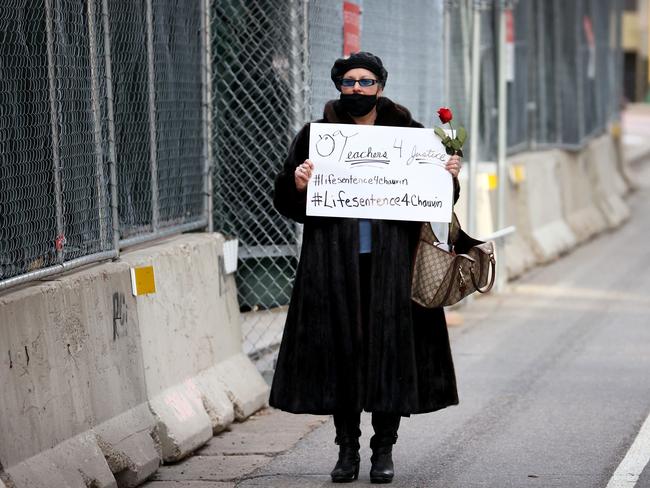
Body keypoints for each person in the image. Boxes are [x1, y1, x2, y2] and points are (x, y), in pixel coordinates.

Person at [270, 52, 462, 484]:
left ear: (381, 85)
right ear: (339, 85)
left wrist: (449, 174)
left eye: (366, 82)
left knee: (390, 353)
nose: (357, 90)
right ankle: (347, 450)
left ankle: (383, 449)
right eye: (349, 82)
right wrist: (298, 184)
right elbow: (286, 201)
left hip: (393, 264)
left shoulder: (412, 136)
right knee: (342, 353)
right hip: (333, 266)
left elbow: (439, 199)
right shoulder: (315, 136)